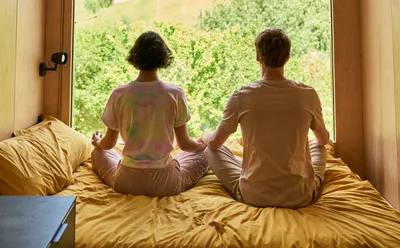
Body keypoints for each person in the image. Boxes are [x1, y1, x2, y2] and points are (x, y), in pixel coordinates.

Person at [201, 28, 330, 208]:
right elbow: (323, 139)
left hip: (254, 195)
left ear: (258, 57)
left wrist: (205, 136)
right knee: (319, 145)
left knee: (210, 151)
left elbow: (214, 144)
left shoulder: (241, 96)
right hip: (300, 196)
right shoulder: (307, 95)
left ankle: (250, 170)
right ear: (288, 56)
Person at [91, 31, 208, 197]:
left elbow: (109, 144)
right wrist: (203, 145)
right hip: (166, 183)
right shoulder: (175, 94)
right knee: (204, 155)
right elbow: (184, 145)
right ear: (163, 58)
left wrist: (97, 142)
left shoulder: (119, 94)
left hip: (126, 182)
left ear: (135, 57)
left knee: (97, 153)